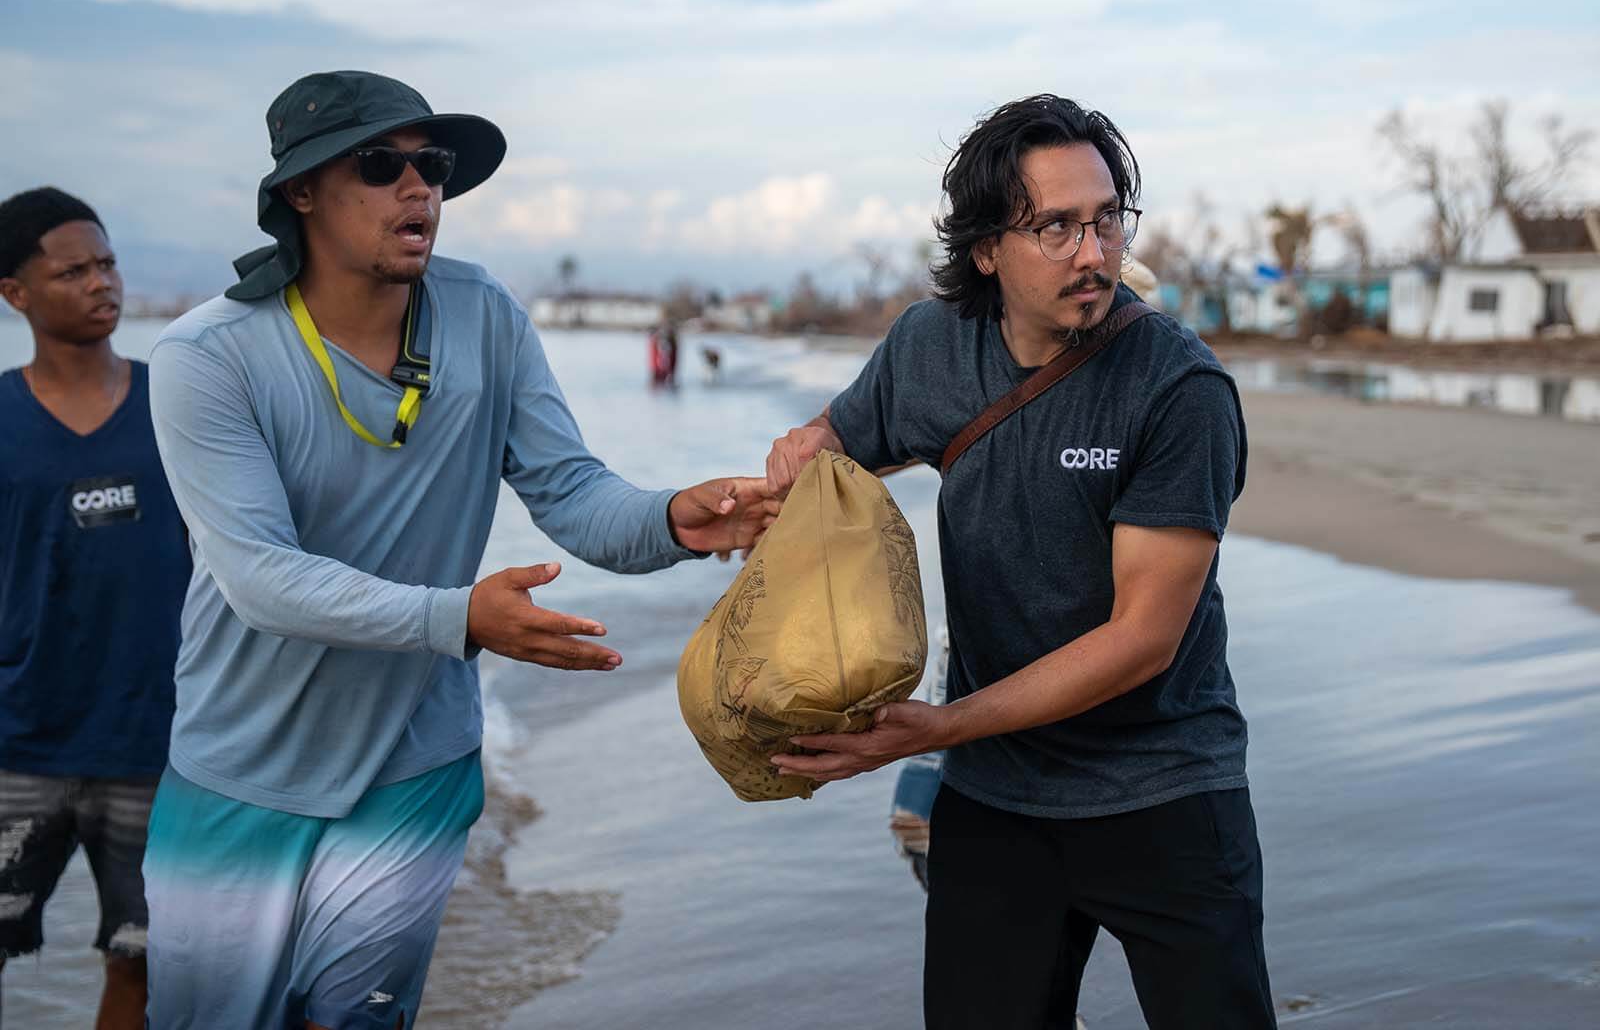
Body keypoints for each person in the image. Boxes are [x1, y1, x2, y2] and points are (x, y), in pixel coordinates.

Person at [142, 71, 777, 1029]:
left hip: (416, 756)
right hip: (244, 763)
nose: (420, 188)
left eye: (432, 165)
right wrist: (462, 617)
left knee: (359, 1020)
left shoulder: (483, 314)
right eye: (381, 164)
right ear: (301, 192)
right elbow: (260, 579)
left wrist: (671, 519)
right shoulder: (208, 357)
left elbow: (569, 490)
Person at [765, 95, 1273, 1029]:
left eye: (1105, 220)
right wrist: (801, 452)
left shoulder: (1178, 388)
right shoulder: (931, 346)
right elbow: (841, 441)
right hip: (996, 798)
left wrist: (937, 727)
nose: (1093, 253)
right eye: (1056, 228)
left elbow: (1140, 642)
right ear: (987, 249)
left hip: (1163, 788)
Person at [0, 188, 189, 1030]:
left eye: (106, 263)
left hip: (156, 743)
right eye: (71, 270)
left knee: (144, 967)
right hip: (17, 744)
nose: (99, 282)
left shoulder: (178, 405)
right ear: (16, 294)